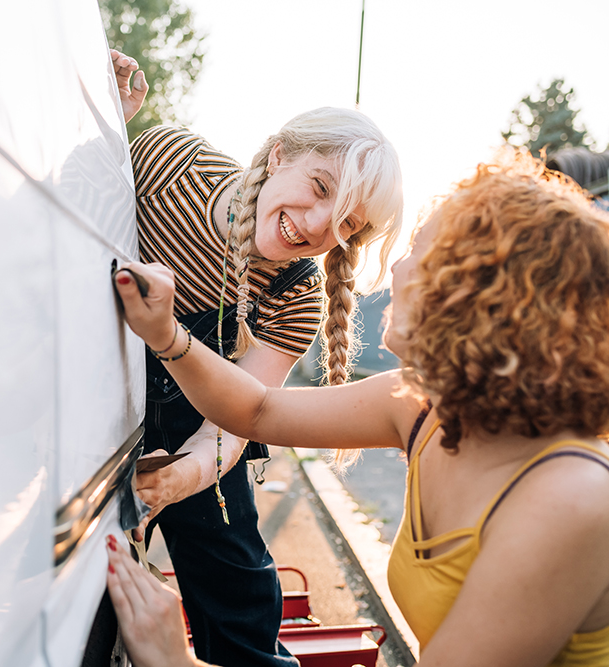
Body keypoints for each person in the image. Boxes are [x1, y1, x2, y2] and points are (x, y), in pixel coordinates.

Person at [108, 150, 609, 667]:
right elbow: (255, 412)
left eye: (421, 249)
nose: (396, 267)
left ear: (483, 292)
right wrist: (166, 335)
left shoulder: (570, 501)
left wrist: (175, 661)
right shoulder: (420, 402)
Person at [110, 49, 404, 667]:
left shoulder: (297, 293)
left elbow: (236, 422)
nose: (319, 225)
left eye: (346, 225)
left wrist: (179, 479)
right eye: (319, 188)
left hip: (195, 438)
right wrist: (104, 126)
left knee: (242, 595)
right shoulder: (168, 163)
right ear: (280, 156)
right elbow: (67, 201)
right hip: (98, 397)